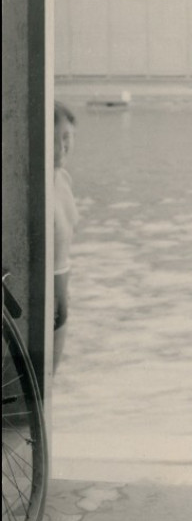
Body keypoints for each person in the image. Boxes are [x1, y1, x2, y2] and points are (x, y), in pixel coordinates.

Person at [54, 100, 79, 373]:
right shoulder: (34, 185)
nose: (62, 147)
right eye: (54, 139)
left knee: (48, 387)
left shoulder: (64, 179)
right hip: (41, 292)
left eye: (67, 137)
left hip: (62, 291)